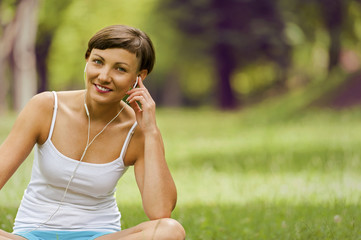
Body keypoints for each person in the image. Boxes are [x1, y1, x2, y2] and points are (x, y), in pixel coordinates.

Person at [0, 25, 186, 240]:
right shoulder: (46, 107)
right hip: (30, 236)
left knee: (170, 230)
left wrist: (151, 131)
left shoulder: (139, 131)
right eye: (98, 62)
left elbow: (160, 211)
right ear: (87, 60)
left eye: (120, 69)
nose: (104, 76)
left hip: (98, 237)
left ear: (139, 77)